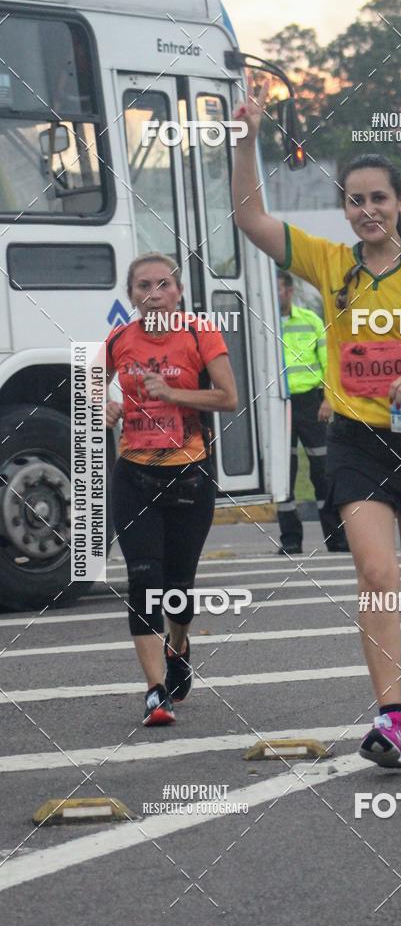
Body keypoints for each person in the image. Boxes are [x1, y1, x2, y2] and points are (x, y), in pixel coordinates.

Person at [232, 80, 401, 768]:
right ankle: (389, 720)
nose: (368, 209)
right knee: (376, 574)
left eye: (380, 197)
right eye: (355, 199)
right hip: (356, 440)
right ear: (345, 208)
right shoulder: (331, 265)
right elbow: (249, 218)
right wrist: (247, 137)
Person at [104, 253, 237, 726]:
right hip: (134, 475)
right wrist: (105, 405)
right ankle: (154, 691)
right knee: (143, 579)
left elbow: (228, 397)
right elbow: (89, 387)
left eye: (163, 284)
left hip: (189, 474)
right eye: (143, 286)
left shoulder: (201, 334)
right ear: (132, 295)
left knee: (179, 587)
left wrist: (174, 394)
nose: (153, 293)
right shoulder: (119, 339)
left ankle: (178, 646)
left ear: (178, 293)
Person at [277, 269, 349, 554]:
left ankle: (336, 539)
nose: (276, 294)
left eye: (279, 289)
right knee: (285, 475)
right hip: (278, 405)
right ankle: (290, 541)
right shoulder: (261, 324)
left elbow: (330, 362)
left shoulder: (310, 321)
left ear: (290, 290)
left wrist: (328, 399)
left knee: (323, 472)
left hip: (311, 404)